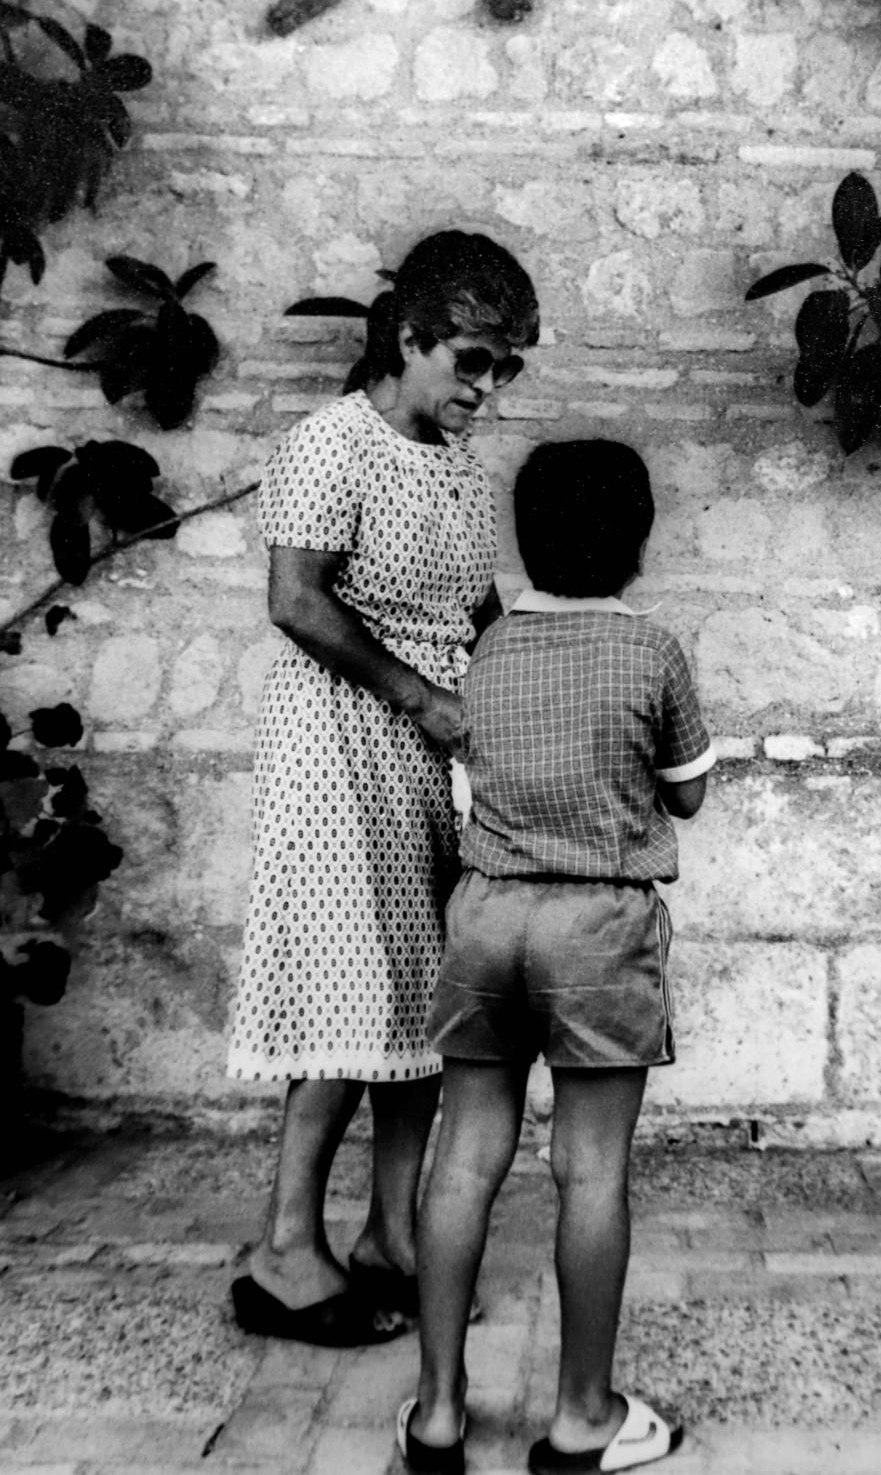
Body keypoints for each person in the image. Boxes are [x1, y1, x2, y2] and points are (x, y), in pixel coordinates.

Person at [226, 228, 540, 1347]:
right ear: (405, 338)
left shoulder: (458, 466)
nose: (488, 390)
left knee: (425, 1002)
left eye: (507, 370)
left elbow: (477, 608)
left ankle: (392, 1235)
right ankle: (285, 1252)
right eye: (471, 361)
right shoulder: (330, 445)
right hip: (339, 751)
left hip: (433, 761)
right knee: (346, 999)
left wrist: (518, 702)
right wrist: (422, 697)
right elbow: (297, 602)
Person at [398, 439, 715, 1474]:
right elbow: (688, 792)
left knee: (465, 1156)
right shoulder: (652, 649)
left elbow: (472, 769)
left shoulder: (487, 655)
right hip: (596, 926)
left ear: (526, 539)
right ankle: (582, 1416)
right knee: (589, 1168)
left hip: (485, 913)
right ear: (638, 538)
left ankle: (438, 1411)